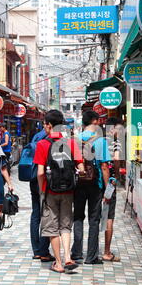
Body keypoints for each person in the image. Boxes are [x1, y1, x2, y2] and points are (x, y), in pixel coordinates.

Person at [33, 110, 85, 273]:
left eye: (45, 124)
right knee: (65, 225)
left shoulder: (43, 144)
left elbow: (40, 173)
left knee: (52, 227)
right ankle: (68, 257)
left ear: (49, 126)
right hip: (68, 191)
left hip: (49, 191)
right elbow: (81, 168)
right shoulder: (71, 143)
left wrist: (42, 190)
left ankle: (58, 263)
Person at [71, 110, 111, 265]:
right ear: (94, 121)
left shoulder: (75, 140)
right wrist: (107, 190)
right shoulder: (100, 141)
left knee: (78, 217)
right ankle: (91, 256)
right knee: (94, 220)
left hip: (78, 183)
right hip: (95, 184)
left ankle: (76, 253)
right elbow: (104, 166)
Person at [29, 127, 54, 262]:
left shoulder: (36, 136)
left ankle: (36, 250)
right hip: (44, 179)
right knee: (47, 213)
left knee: (35, 214)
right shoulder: (51, 138)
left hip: (33, 178)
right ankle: (44, 250)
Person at [102, 117, 125, 262]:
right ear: (112, 129)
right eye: (119, 129)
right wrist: (116, 175)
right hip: (109, 183)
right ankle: (106, 251)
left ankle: (92, 249)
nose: (121, 132)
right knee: (109, 217)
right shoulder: (116, 143)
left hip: (97, 183)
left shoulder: (100, 142)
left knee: (98, 217)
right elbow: (116, 159)